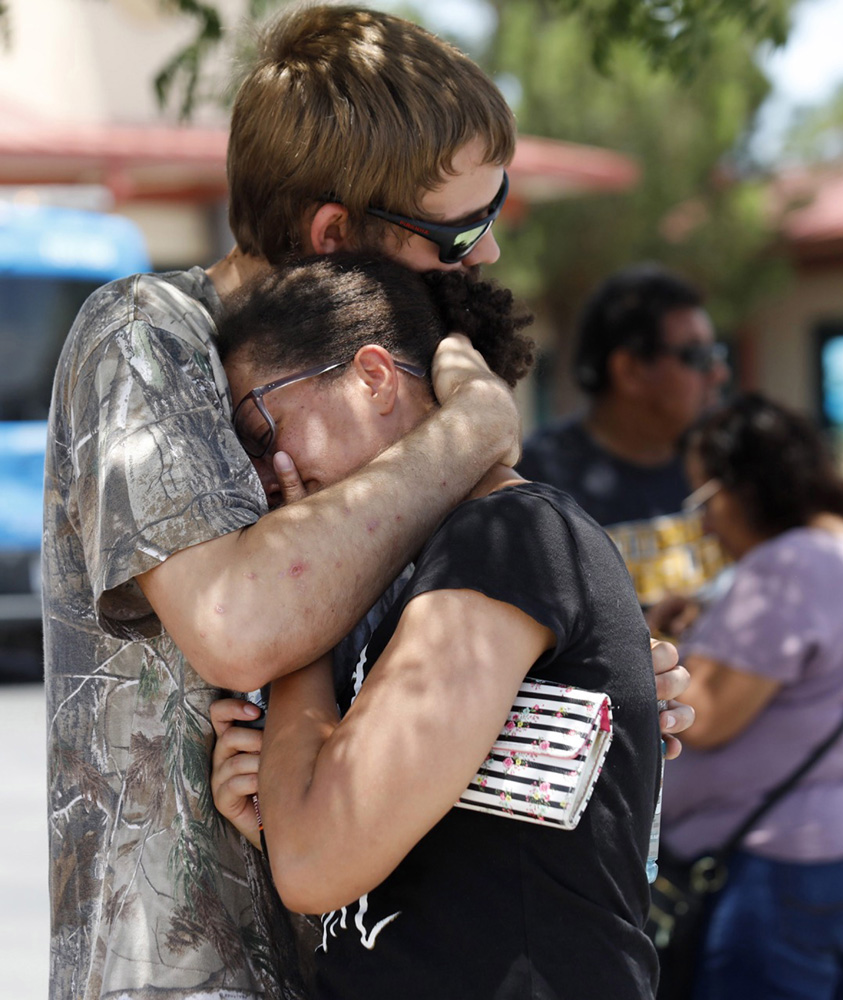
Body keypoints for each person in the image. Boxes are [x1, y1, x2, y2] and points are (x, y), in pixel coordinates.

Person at [42, 6, 690, 1000]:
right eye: (458, 230)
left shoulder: (382, 419)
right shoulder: (151, 333)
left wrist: (592, 696)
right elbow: (238, 622)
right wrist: (469, 432)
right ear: (335, 234)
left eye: (496, 210)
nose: (487, 257)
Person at [210, 253, 671, 1000]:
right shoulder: (421, 574)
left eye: (262, 430)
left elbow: (316, 863)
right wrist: (282, 792)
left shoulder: (508, 537)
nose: (263, 475)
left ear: (373, 376)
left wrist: (295, 617)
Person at [647, 393, 843, 1000]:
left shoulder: (789, 567)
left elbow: (702, 715)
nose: (703, 522)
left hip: (780, 869)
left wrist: (647, 635)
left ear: (747, 486)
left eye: (703, 498)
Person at [518, 263, 730, 606]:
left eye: (717, 354)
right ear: (630, 371)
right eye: (698, 356)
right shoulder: (536, 486)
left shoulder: (726, 463)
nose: (719, 373)